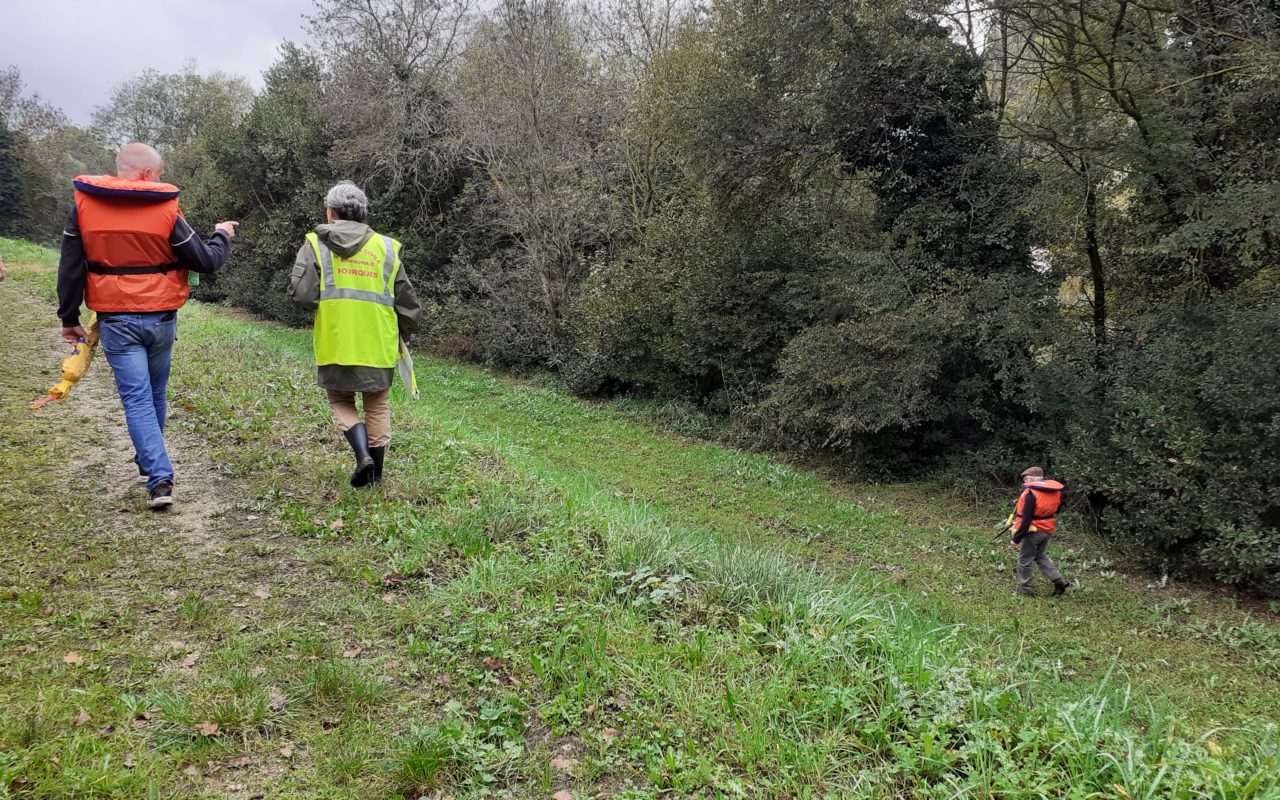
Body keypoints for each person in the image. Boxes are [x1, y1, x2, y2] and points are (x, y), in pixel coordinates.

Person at [57, 143, 238, 509]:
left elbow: (71, 265)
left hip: (117, 320)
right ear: (145, 174)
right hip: (161, 319)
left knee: (140, 397)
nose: (159, 180)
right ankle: (157, 473)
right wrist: (222, 234)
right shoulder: (166, 210)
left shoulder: (83, 208)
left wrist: (69, 318)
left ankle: (155, 470)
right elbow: (205, 261)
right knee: (153, 392)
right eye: (157, 174)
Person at [288, 181, 420, 488]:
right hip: (378, 341)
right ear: (362, 212)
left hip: (336, 340)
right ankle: (376, 476)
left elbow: (303, 295)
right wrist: (407, 330)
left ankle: (362, 456)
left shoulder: (315, 244)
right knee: (377, 404)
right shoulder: (386, 247)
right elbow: (406, 298)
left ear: (331, 212)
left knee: (340, 400)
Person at [1010, 466, 1070, 597]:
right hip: (1047, 530)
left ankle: (1026, 590)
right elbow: (1056, 510)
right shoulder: (1054, 492)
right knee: (1039, 555)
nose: (1024, 483)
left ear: (1031, 479)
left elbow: (1026, 521)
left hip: (1033, 531)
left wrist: (1016, 539)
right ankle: (1058, 580)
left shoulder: (1031, 494)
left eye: (1025, 480)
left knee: (1024, 560)